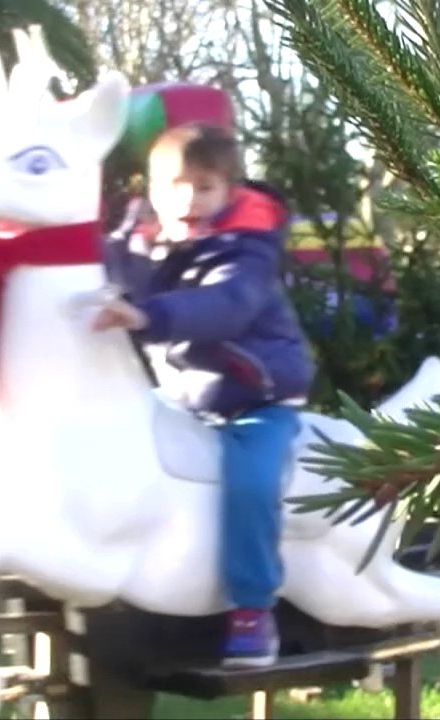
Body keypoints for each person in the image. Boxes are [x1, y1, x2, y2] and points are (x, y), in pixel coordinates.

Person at [92, 123, 315, 668]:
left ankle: (252, 611)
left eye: (206, 185)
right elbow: (88, 260)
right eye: (176, 184)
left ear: (231, 191)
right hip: (181, 400)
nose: (189, 198)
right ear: (151, 189)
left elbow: (225, 306)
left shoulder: (246, 251)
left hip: (253, 400)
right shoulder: (139, 245)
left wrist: (150, 315)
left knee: (251, 483)